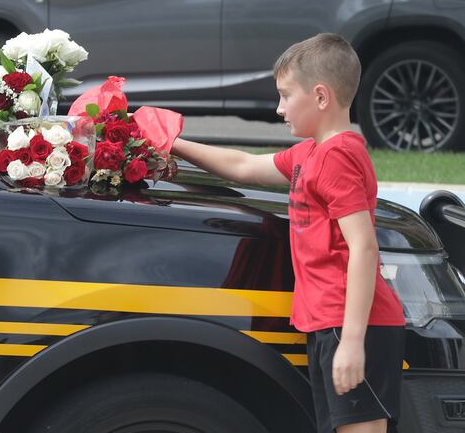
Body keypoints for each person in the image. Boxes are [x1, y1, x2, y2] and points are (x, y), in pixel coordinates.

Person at [171, 33, 406, 433]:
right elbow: (242, 165)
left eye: (285, 95)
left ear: (320, 96)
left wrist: (351, 341)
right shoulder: (310, 153)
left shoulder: (337, 156)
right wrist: (172, 144)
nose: (279, 108)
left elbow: (364, 247)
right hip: (331, 321)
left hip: (350, 323)